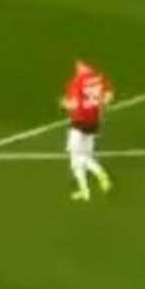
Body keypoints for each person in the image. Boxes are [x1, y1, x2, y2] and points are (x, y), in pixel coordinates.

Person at [60, 60, 114, 202]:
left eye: (78, 66)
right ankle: (84, 191)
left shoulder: (77, 82)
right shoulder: (99, 78)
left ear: (83, 65)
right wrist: (98, 107)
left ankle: (100, 173)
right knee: (80, 158)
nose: (76, 68)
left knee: (77, 156)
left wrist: (64, 104)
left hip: (79, 122)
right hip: (94, 122)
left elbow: (74, 105)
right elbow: (109, 96)